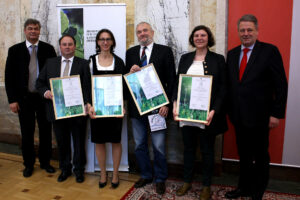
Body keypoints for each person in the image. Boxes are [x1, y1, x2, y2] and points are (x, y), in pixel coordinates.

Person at [225, 14, 288, 200]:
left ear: (257, 31)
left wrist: (276, 113)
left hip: (261, 117)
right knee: (243, 155)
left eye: (249, 30)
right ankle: (243, 187)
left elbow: (281, 85)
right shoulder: (233, 54)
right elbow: (232, 84)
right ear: (238, 32)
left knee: (260, 157)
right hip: (238, 116)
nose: (245, 34)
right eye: (242, 30)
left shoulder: (270, 51)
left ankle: (257, 192)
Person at [172, 25, 227, 200]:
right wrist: (174, 104)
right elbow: (177, 83)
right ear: (192, 39)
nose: (199, 38)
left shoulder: (218, 59)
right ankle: (187, 181)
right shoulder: (185, 58)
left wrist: (214, 111)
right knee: (188, 149)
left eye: (203, 35)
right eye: (196, 35)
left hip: (207, 116)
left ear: (208, 38)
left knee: (207, 151)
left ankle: (206, 185)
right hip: (186, 114)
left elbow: (223, 88)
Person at [125, 22, 176, 194]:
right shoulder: (130, 53)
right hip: (136, 108)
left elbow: (172, 80)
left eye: (145, 30)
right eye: (139, 32)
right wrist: (130, 73)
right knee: (139, 145)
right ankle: (146, 174)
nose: (142, 34)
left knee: (159, 145)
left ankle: (161, 178)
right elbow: (127, 84)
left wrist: (166, 103)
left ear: (152, 32)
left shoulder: (165, 51)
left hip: (157, 109)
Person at [5, 18, 57, 177]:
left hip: (44, 98)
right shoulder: (14, 50)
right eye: (30, 28)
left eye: (36, 28)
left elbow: (54, 73)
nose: (33, 31)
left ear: (39, 30)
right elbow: (9, 77)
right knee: (27, 133)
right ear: (25, 30)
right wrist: (12, 100)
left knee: (46, 131)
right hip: (24, 99)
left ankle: (45, 162)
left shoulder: (48, 49)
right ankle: (28, 164)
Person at [36, 34, 91, 183]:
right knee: (62, 142)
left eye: (70, 44)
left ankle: (79, 170)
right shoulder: (50, 63)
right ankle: (65, 169)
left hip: (77, 112)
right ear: (60, 47)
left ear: (74, 47)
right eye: (64, 44)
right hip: (57, 111)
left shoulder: (83, 64)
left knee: (79, 142)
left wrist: (87, 103)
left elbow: (87, 87)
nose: (67, 47)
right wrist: (46, 93)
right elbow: (40, 83)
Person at [88, 29, 125, 189]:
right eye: (102, 39)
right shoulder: (90, 61)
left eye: (108, 39)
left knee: (116, 141)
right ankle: (103, 173)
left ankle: (115, 173)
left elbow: (124, 87)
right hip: (97, 109)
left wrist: (123, 106)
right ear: (97, 42)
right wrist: (89, 106)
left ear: (112, 42)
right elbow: (86, 86)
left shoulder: (119, 61)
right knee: (99, 142)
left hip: (115, 110)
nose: (105, 42)